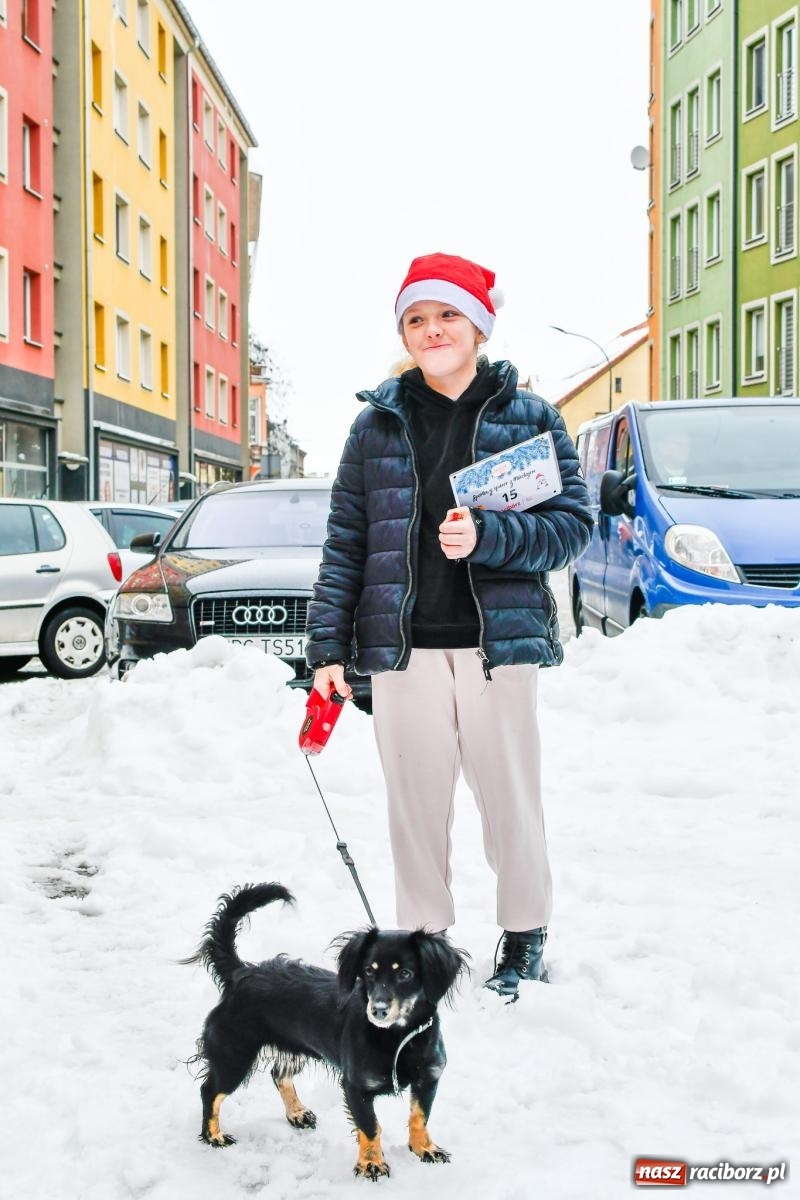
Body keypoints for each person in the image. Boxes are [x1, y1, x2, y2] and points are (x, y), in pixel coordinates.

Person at [306, 253, 593, 1001]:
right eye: (417, 319)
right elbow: (346, 541)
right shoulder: (376, 424)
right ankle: (423, 943)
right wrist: (328, 649)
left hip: (497, 647)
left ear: (478, 326)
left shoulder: (529, 417)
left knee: (509, 798)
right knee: (415, 804)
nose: (432, 330)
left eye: (447, 316)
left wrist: (492, 539)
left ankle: (525, 934)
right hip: (402, 653)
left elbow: (572, 527)